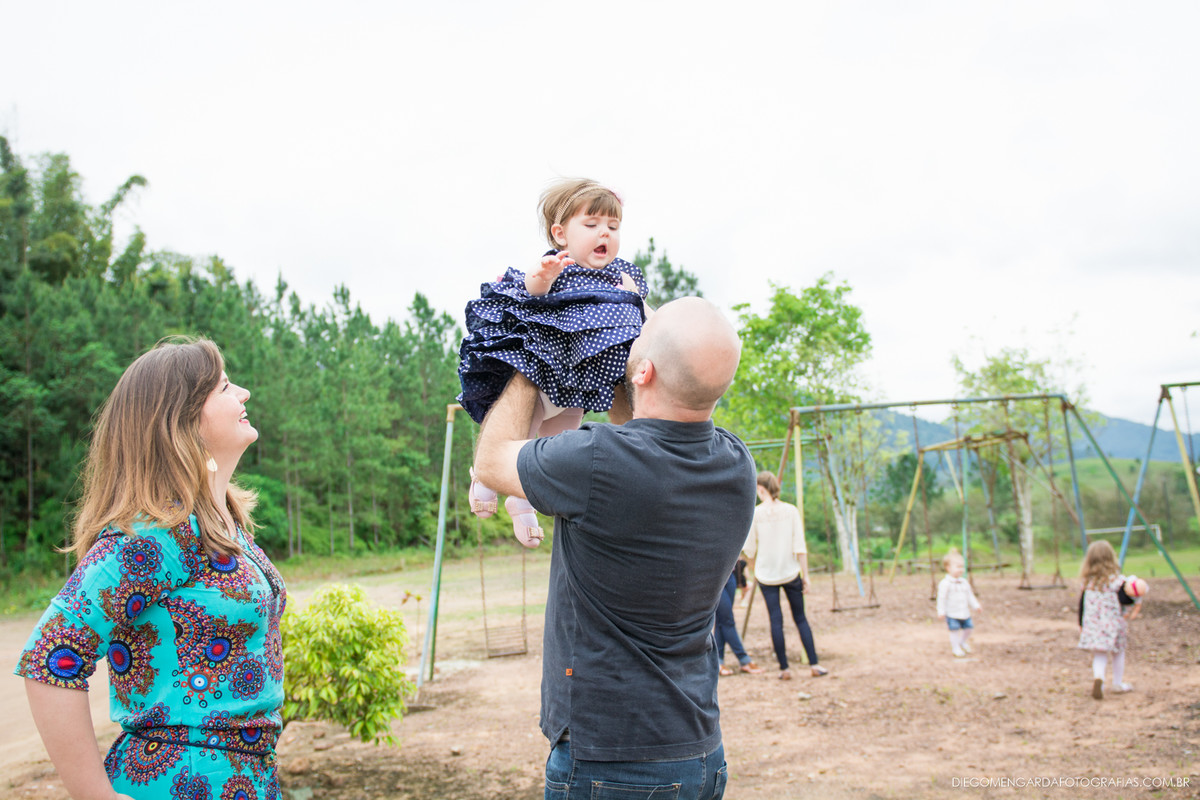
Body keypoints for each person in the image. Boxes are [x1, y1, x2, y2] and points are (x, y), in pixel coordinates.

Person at [473, 296, 755, 800]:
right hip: (700, 755)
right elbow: (641, 435)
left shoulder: (596, 460)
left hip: (612, 762)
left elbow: (493, 461)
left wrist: (530, 357)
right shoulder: (736, 465)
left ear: (642, 370)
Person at [15, 338, 285, 800]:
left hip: (246, 779)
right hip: (179, 781)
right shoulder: (154, 536)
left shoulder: (224, 525)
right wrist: (95, 796)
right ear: (180, 418)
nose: (243, 393)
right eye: (224, 387)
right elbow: (49, 660)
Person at [458, 178, 650, 548]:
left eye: (613, 226)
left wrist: (633, 298)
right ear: (561, 234)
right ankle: (484, 477)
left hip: (579, 385)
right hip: (543, 374)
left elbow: (641, 310)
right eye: (592, 225)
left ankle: (523, 496)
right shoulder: (556, 265)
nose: (604, 234)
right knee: (522, 432)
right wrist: (541, 280)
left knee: (555, 444)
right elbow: (529, 292)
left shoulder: (624, 274)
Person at [743, 471, 828, 680]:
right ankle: (815, 664)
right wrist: (805, 575)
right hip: (790, 572)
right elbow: (800, 547)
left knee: (775, 620)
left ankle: (784, 669)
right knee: (800, 618)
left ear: (761, 489)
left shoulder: (756, 514)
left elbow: (749, 550)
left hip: (766, 575)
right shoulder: (791, 511)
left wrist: (754, 568)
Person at [1078, 539, 1141, 700]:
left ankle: (1099, 677)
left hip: (1093, 625)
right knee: (1118, 653)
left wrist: (1080, 624)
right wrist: (1134, 599)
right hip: (1114, 624)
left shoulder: (1087, 582)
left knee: (1099, 654)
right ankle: (1117, 684)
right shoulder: (1118, 581)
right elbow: (1126, 599)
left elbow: (1081, 604)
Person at [714, 568, 764, 676]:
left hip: (730, 575)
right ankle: (744, 659)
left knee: (720, 621)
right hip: (714, 576)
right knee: (728, 620)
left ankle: (718, 662)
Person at [936, 548, 982, 657]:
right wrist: (941, 611)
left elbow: (970, 595)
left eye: (962, 566)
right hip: (951, 613)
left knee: (969, 628)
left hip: (964, 612)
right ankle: (955, 647)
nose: (961, 569)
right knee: (954, 630)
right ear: (948, 568)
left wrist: (976, 605)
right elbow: (941, 598)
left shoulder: (964, 582)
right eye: (958, 567)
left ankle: (962, 641)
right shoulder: (945, 583)